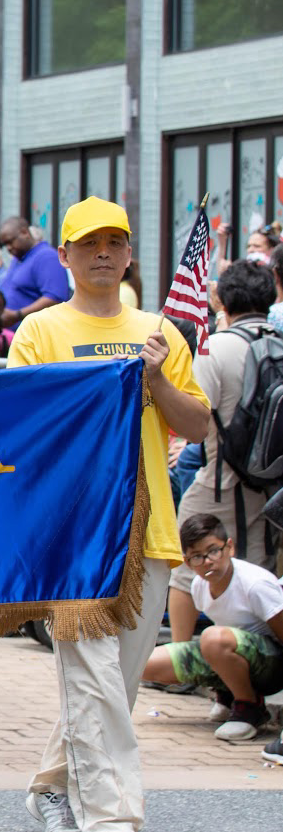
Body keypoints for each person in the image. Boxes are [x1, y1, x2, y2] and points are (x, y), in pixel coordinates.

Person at [10, 195, 209, 832]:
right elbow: (20, 426)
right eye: (88, 242)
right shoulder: (39, 332)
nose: (102, 252)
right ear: (64, 255)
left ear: (128, 255)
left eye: (114, 241)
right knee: (93, 677)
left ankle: (51, 787)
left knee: (113, 682)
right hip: (74, 534)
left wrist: (154, 380)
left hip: (147, 530)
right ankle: (113, 825)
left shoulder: (160, 332)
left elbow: (198, 426)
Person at [167, 259, 276, 640]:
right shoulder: (279, 342)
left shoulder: (217, 347)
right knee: (260, 572)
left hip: (220, 479)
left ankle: (181, 655)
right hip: (270, 486)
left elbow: (196, 418)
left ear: (223, 300)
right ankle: (255, 659)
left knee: (186, 571)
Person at [142, 514, 283, 743]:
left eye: (213, 551)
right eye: (197, 556)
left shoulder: (256, 584)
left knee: (213, 638)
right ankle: (228, 693)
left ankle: (250, 706)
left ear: (230, 547)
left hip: (272, 665)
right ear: (188, 562)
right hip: (233, 652)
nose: (207, 561)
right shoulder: (199, 585)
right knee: (146, 663)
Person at [0, 216, 70, 330]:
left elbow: (55, 298)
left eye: (10, 242)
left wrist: (17, 315)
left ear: (25, 232)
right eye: (5, 245)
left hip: (35, 333)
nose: (8, 248)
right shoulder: (19, 258)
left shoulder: (46, 256)